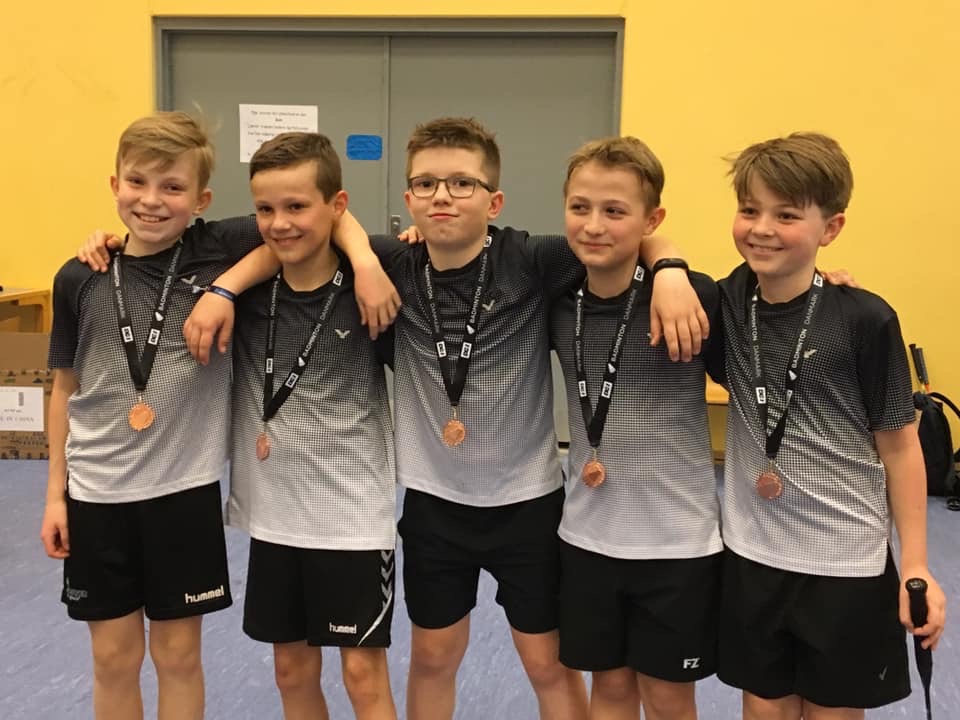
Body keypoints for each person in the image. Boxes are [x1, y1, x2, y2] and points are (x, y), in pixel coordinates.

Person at [181, 116, 709, 720]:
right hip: (435, 506)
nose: (443, 197)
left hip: (527, 505)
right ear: (408, 199)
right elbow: (317, 224)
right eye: (426, 184)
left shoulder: (532, 260)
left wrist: (670, 267)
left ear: (494, 201)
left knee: (546, 664)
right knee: (433, 658)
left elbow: (621, 233)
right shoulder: (394, 264)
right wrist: (352, 263)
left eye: (462, 184)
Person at [714, 132, 947, 720]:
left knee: (832, 712)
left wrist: (915, 564)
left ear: (831, 227)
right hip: (752, 554)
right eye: (749, 209)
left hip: (845, 563)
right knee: (763, 709)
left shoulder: (865, 318)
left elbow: (900, 449)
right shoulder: (724, 303)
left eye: (787, 215)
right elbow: (639, 246)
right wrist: (666, 266)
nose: (762, 228)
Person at [39, 111, 258, 720]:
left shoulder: (218, 250)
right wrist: (55, 495)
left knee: (178, 657)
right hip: (96, 494)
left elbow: (311, 224)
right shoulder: (79, 276)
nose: (152, 200)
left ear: (201, 199)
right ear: (114, 185)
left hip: (182, 493)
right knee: (112, 659)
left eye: (173, 187)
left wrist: (225, 289)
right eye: (137, 182)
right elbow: (64, 389)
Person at [550, 136, 723, 720]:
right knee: (610, 688)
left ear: (652, 220)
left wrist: (670, 267)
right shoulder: (557, 298)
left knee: (669, 697)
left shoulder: (694, 297)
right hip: (588, 537)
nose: (594, 225)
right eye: (580, 207)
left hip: (678, 544)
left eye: (615, 211)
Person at [228, 131, 398, 719]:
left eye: (297, 206)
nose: (280, 223)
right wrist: (222, 288)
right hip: (274, 514)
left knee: (362, 674)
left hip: (352, 516)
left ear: (337, 206)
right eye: (266, 209)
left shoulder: (374, 285)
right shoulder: (249, 286)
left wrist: (367, 260)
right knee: (290, 669)